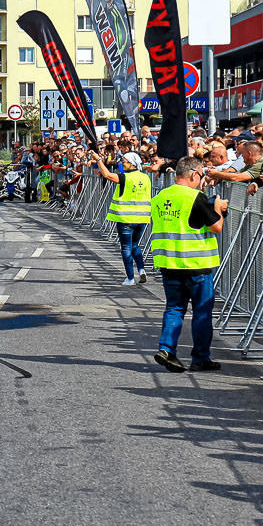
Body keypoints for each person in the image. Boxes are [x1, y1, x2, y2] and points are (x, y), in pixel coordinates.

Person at [150, 155, 227, 373]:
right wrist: (219, 208)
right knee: (202, 311)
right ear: (194, 174)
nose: (202, 181)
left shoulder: (160, 197)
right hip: (196, 264)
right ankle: (200, 358)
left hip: (169, 263)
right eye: (201, 176)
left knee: (174, 308)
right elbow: (216, 227)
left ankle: (166, 350)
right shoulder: (195, 197)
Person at [93, 149, 150, 285]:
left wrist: (98, 159)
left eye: (124, 162)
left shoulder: (125, 177)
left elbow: (107, 175)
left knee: (126, 248)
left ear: (132, 164)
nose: (122, 164)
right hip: (142, 219)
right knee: (135, 245)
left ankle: (130, 278)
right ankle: (141, 270)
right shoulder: (146, 178)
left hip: (126, 219)